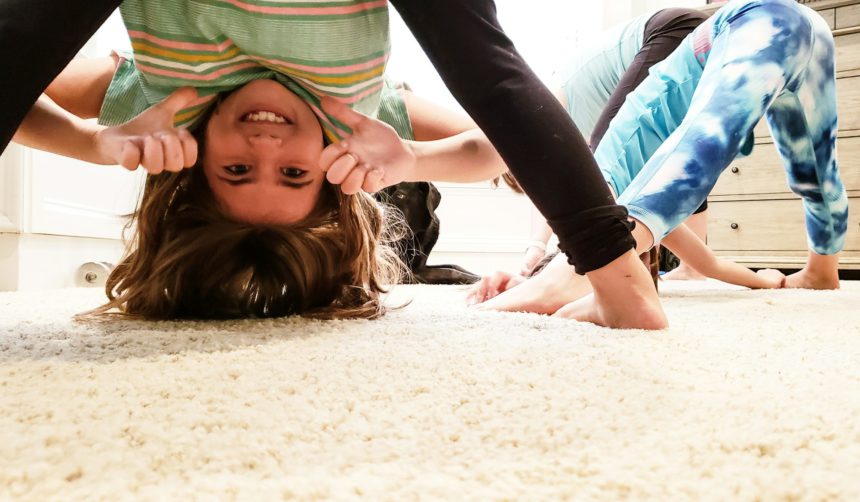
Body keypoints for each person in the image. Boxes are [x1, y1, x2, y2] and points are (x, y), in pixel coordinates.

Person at [3, 0, 667, 329]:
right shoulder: (351, 115)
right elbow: (501, 129)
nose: (265, 151)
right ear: (330, 164)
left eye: (236, 172)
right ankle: (626, 291)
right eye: (293, 175)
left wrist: (94, 143)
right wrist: (411, 156)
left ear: (196, 163)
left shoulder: (159, 102)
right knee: (486, 69)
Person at [470, 0, 847, 319]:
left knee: (694, 139)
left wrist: (550, 268)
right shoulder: (643, 209)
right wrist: (764, 279)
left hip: (755, 22)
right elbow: (709, 264)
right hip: (803, 27)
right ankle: (821, 270)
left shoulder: (615, 160)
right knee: (814, 164)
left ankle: (567, 275)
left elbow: (688, 153)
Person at [512, 8, 710, 278]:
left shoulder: (541, 114)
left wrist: (543, 246)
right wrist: (536, 245)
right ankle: (693, 268)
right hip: (695, 34)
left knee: (611, 160)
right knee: (674, 152)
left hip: (670, 31)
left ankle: (594, 270)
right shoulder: (557, 126)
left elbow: (565, 187)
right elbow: (560, 187)